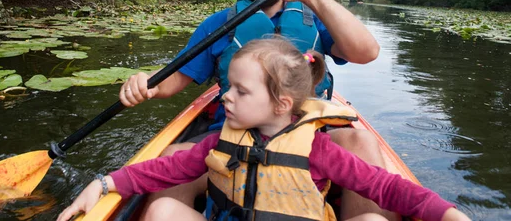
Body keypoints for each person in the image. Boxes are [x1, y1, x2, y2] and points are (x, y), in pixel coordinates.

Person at [120, 0, 387, 219]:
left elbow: (366, 52)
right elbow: (174, 79)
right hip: (228, 139)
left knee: (361, 143)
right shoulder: (219, 24)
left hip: (310, 140)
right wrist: (149, 82)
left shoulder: (316, 20)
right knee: (172, 156)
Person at [58, 38, 470, 221]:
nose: (225, 98)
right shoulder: (218, 144)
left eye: (239, 90)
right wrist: (103, 182)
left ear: (281, 104)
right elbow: (160, 172)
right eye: (226, 87)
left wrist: (447, 213)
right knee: (163, 207)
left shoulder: (319, 151)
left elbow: (389, 189)